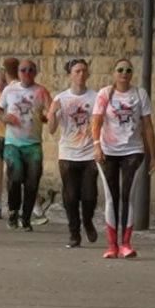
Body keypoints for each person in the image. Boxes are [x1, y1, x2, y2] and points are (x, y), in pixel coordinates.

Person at [95, 59, 150, 259]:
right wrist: (96, 145)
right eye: (120, 70)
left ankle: (126, 243)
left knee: (128, 195)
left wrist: (153, 155)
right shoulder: (105, 94)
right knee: (112, 196)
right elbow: (96, 121)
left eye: (128, 70)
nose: (124, 73)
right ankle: (112, 245)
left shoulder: (140, 94)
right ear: (113, 73)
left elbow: (148, 126)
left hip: (133, 150)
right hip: (108, 151)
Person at [49, 58, 105, 249]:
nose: (81, 74)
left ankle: (87, 221)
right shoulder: (61, 98)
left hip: (89, 152)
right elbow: (51, 129)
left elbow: (103, 123)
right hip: (68, 153)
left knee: (89, 195)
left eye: (83, 71)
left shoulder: (96, 97)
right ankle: (74, 232)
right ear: (70, 75)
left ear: (88, 74)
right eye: (77, 71)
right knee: (71, 195)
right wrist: (52, 113)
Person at [0, 60, 46, 231]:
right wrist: (4, 117)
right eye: (23, 70)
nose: (27, 73)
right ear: (18, 72)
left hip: (33, 144)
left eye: (30, 70)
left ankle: (26, 218)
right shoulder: (10, 90)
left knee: (32, 181)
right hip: (13, 143)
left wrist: (45, 117)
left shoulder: (41, 91)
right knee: (15, 177)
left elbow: (51, 111)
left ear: (35, 72)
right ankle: (13, 211)